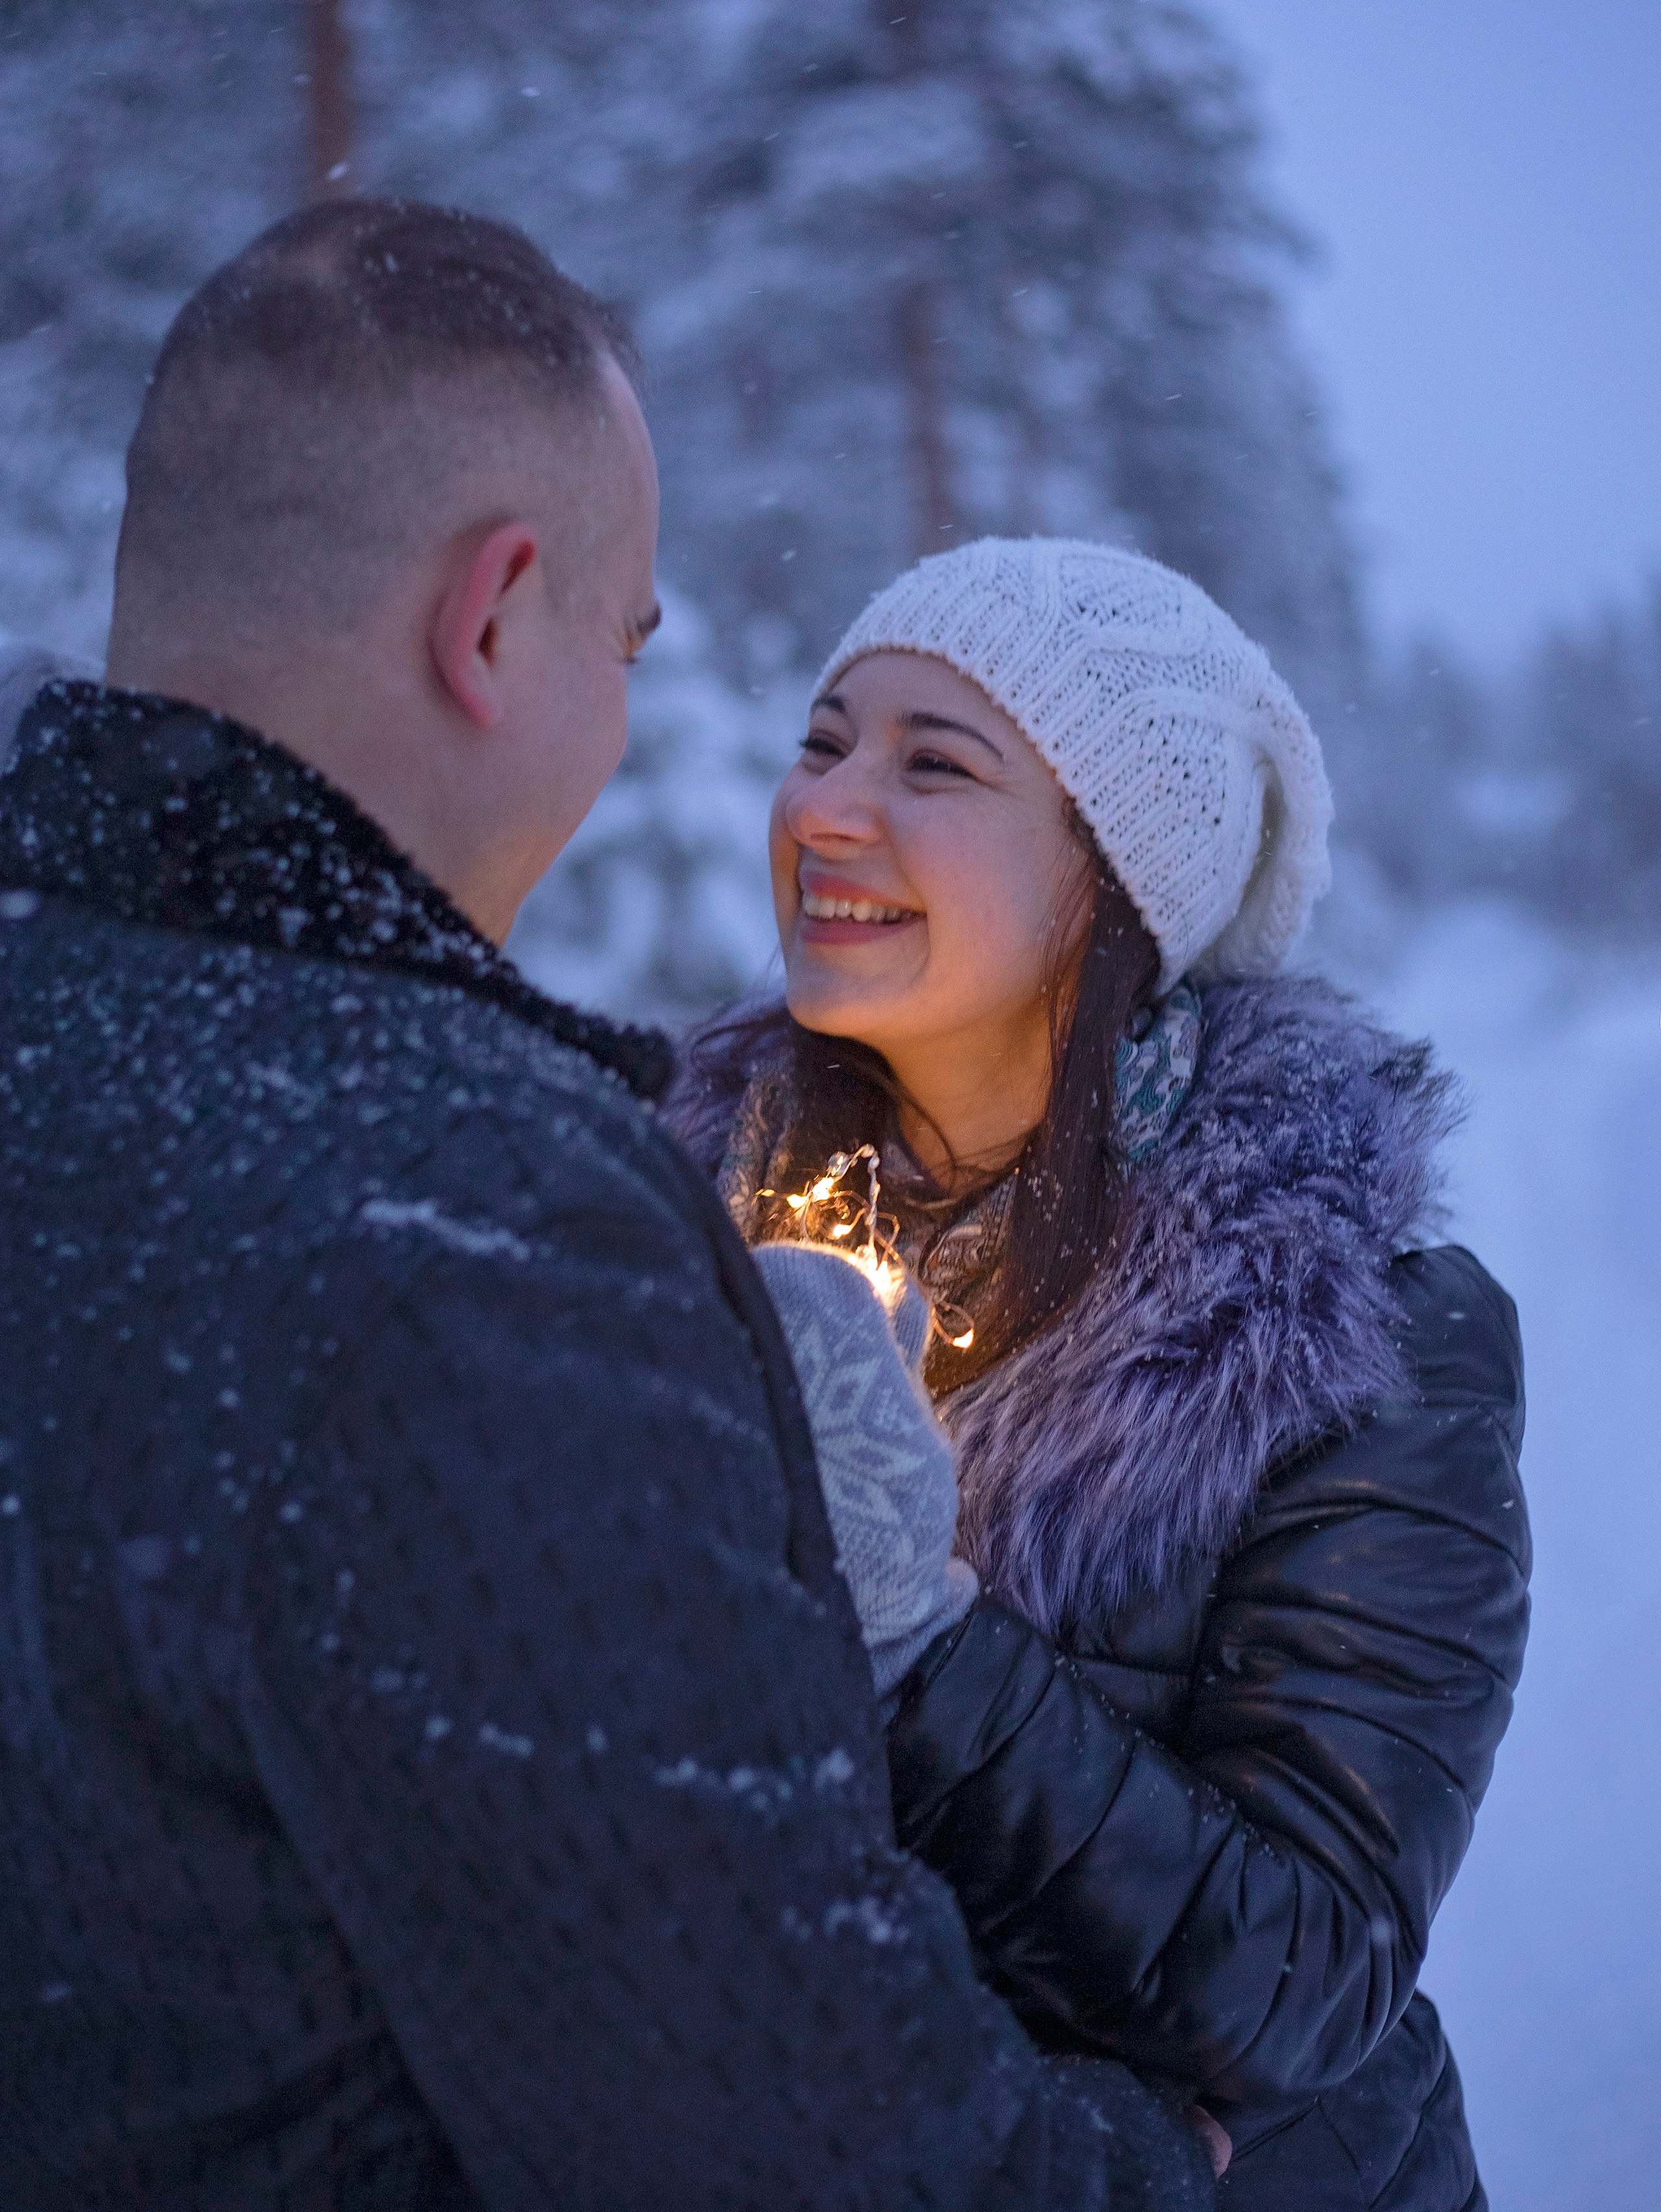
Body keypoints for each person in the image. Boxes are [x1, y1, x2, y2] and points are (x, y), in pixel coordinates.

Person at [0, 205, 1217, 2209]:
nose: (824, 804)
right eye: (627, 638)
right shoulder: (470, 1230)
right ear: (492, 622)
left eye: (940, 764)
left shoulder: (101, 1053)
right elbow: (784, 2131)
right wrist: (1152, 2161)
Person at [668, 536, 1531, 2212]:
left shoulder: (1359, 1345)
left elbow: (1294, 1975)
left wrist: (912, 1632)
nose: (830, 804)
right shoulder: (663, 1231)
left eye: (936, 762)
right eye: (824, 737)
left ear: (1116, 878)